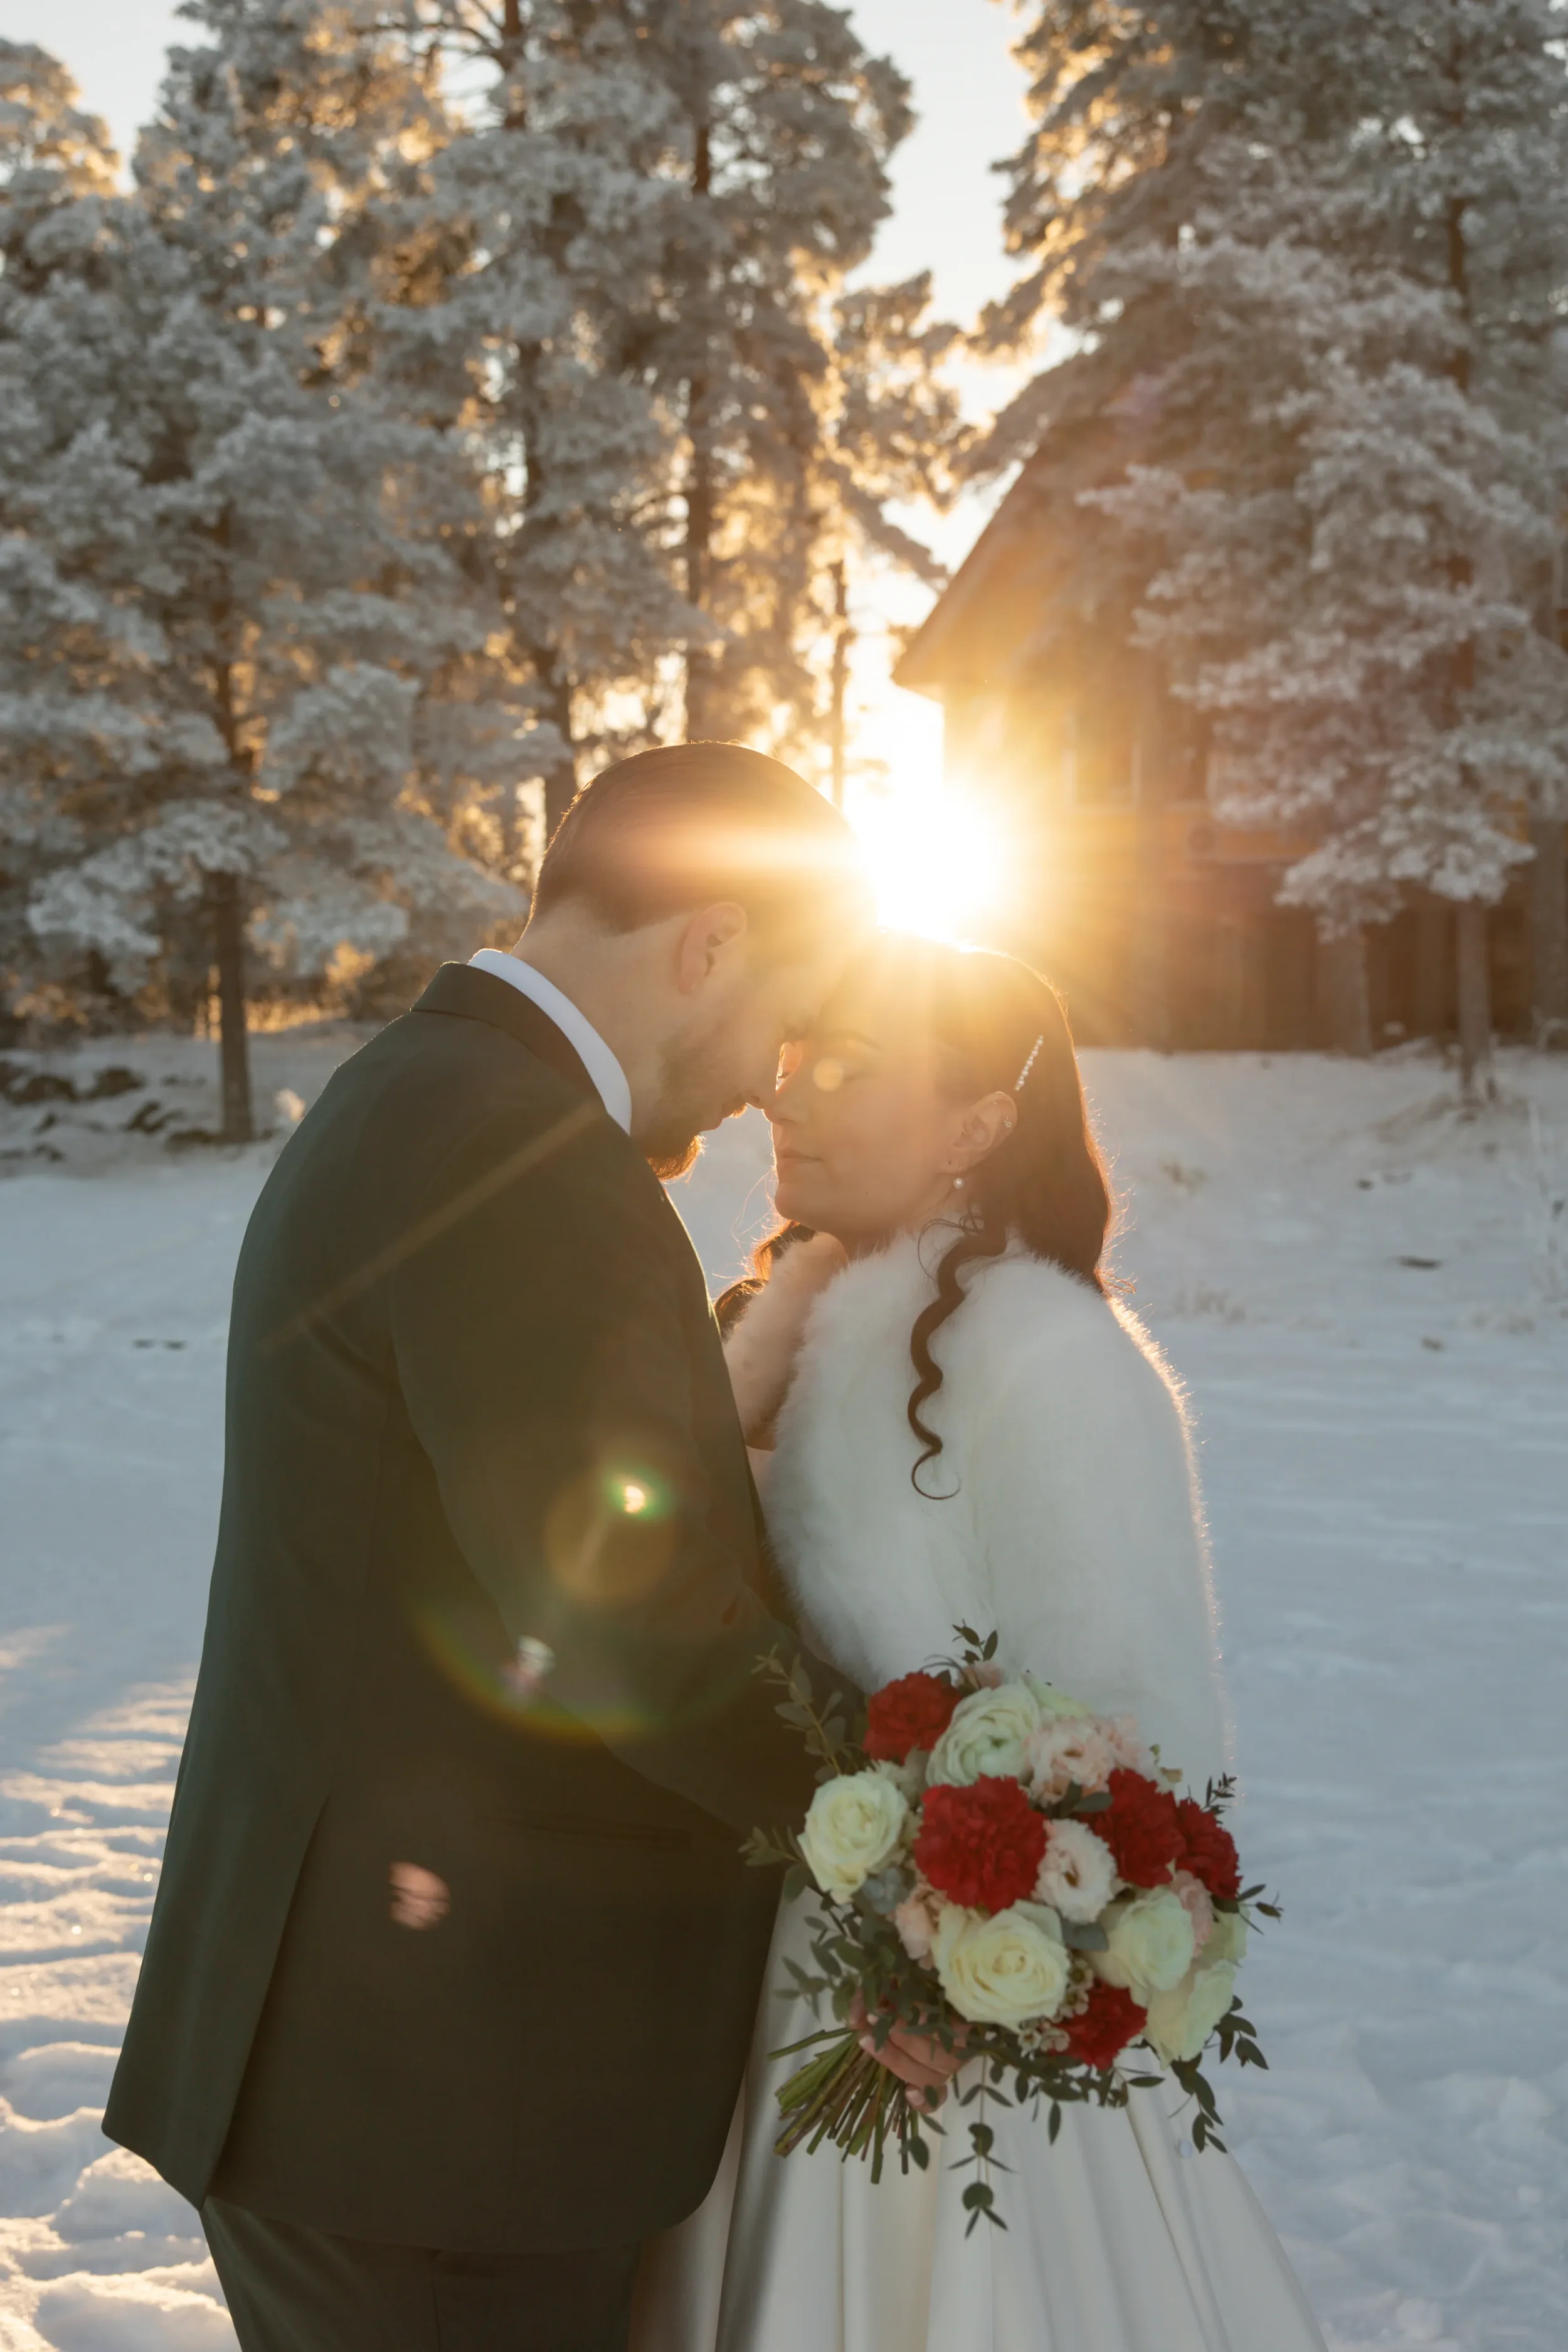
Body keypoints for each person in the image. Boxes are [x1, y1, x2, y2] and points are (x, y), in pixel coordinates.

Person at [103, 742, 933, 2352]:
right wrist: (904, 1831)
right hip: (437, 2113)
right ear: (708, 943)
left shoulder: (427, 1091)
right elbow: (630, 1616)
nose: (770, 1078)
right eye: (783, 1014)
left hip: (375, 2075)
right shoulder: (521, 1150)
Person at [632, 932, 1327, 2352]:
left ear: (978, 1124)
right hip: (777, 1981)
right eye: (791, 1059)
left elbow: (1137, 1730)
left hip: (948, 2035)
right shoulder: (789, 1333)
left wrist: (983, 1972)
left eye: (847, 1067)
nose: (786, 1095)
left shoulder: (1049, 1355)